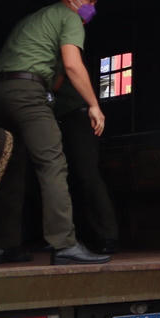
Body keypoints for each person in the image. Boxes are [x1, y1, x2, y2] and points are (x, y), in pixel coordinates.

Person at [0, 0, 110, 265]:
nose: (92, 6)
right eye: (89, 0)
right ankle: (65, 244)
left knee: (12, 166)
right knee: (53, 164)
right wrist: (94, 104)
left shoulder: (37, 19)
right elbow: (72, 65)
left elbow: (54, 80)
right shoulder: (69, 18)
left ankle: (5, 246)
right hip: (27, 93)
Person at [54, 77, 119, 254]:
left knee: (87, 174)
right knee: (67, 177)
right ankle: (80, 236)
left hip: (77, 113)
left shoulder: (64, 53)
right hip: (61, 115)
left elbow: (56, 81)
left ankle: (107, 235)